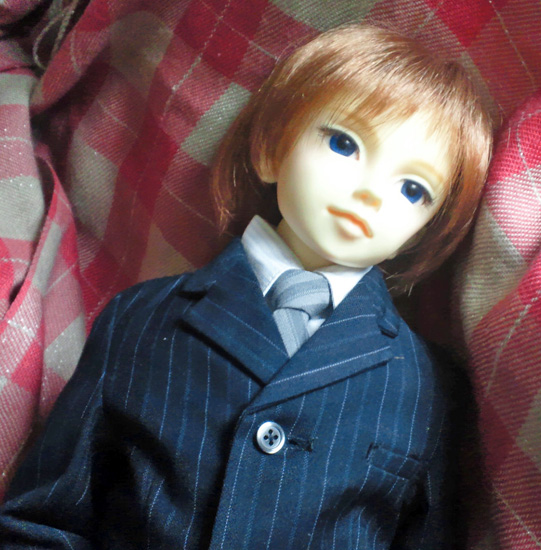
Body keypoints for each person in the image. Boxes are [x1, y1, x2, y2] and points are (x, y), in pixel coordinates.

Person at [0, 24, 492, 549]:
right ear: (272, 150)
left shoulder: (428, 389)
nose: (372, 192)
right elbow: (43, 521)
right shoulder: (141, 319)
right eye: (344, 143)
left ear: (423, 232)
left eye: (413, 189)